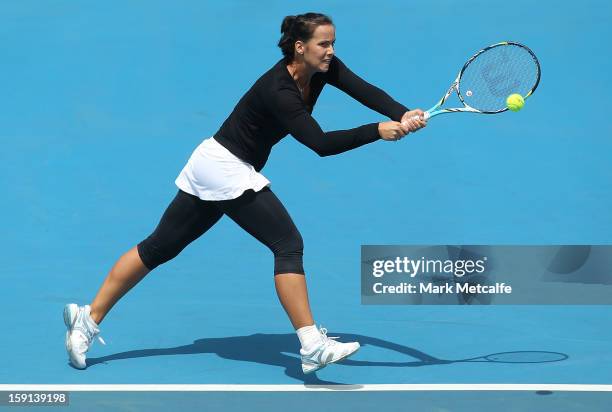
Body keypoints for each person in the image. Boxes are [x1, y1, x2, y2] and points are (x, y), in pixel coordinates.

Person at [63, 12, 426, 375]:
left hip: (216, 162)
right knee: (287, 243)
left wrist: (401, 112)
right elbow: (320, 143)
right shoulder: (278, 91)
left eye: (333, 43)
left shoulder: (323, 69)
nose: (331, 51)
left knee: (159, 247)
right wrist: (376, 130)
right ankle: (312, 344)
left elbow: (363, 89)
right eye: (323, 44)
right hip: (224, 167)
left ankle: (87, 317)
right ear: (300, 48)